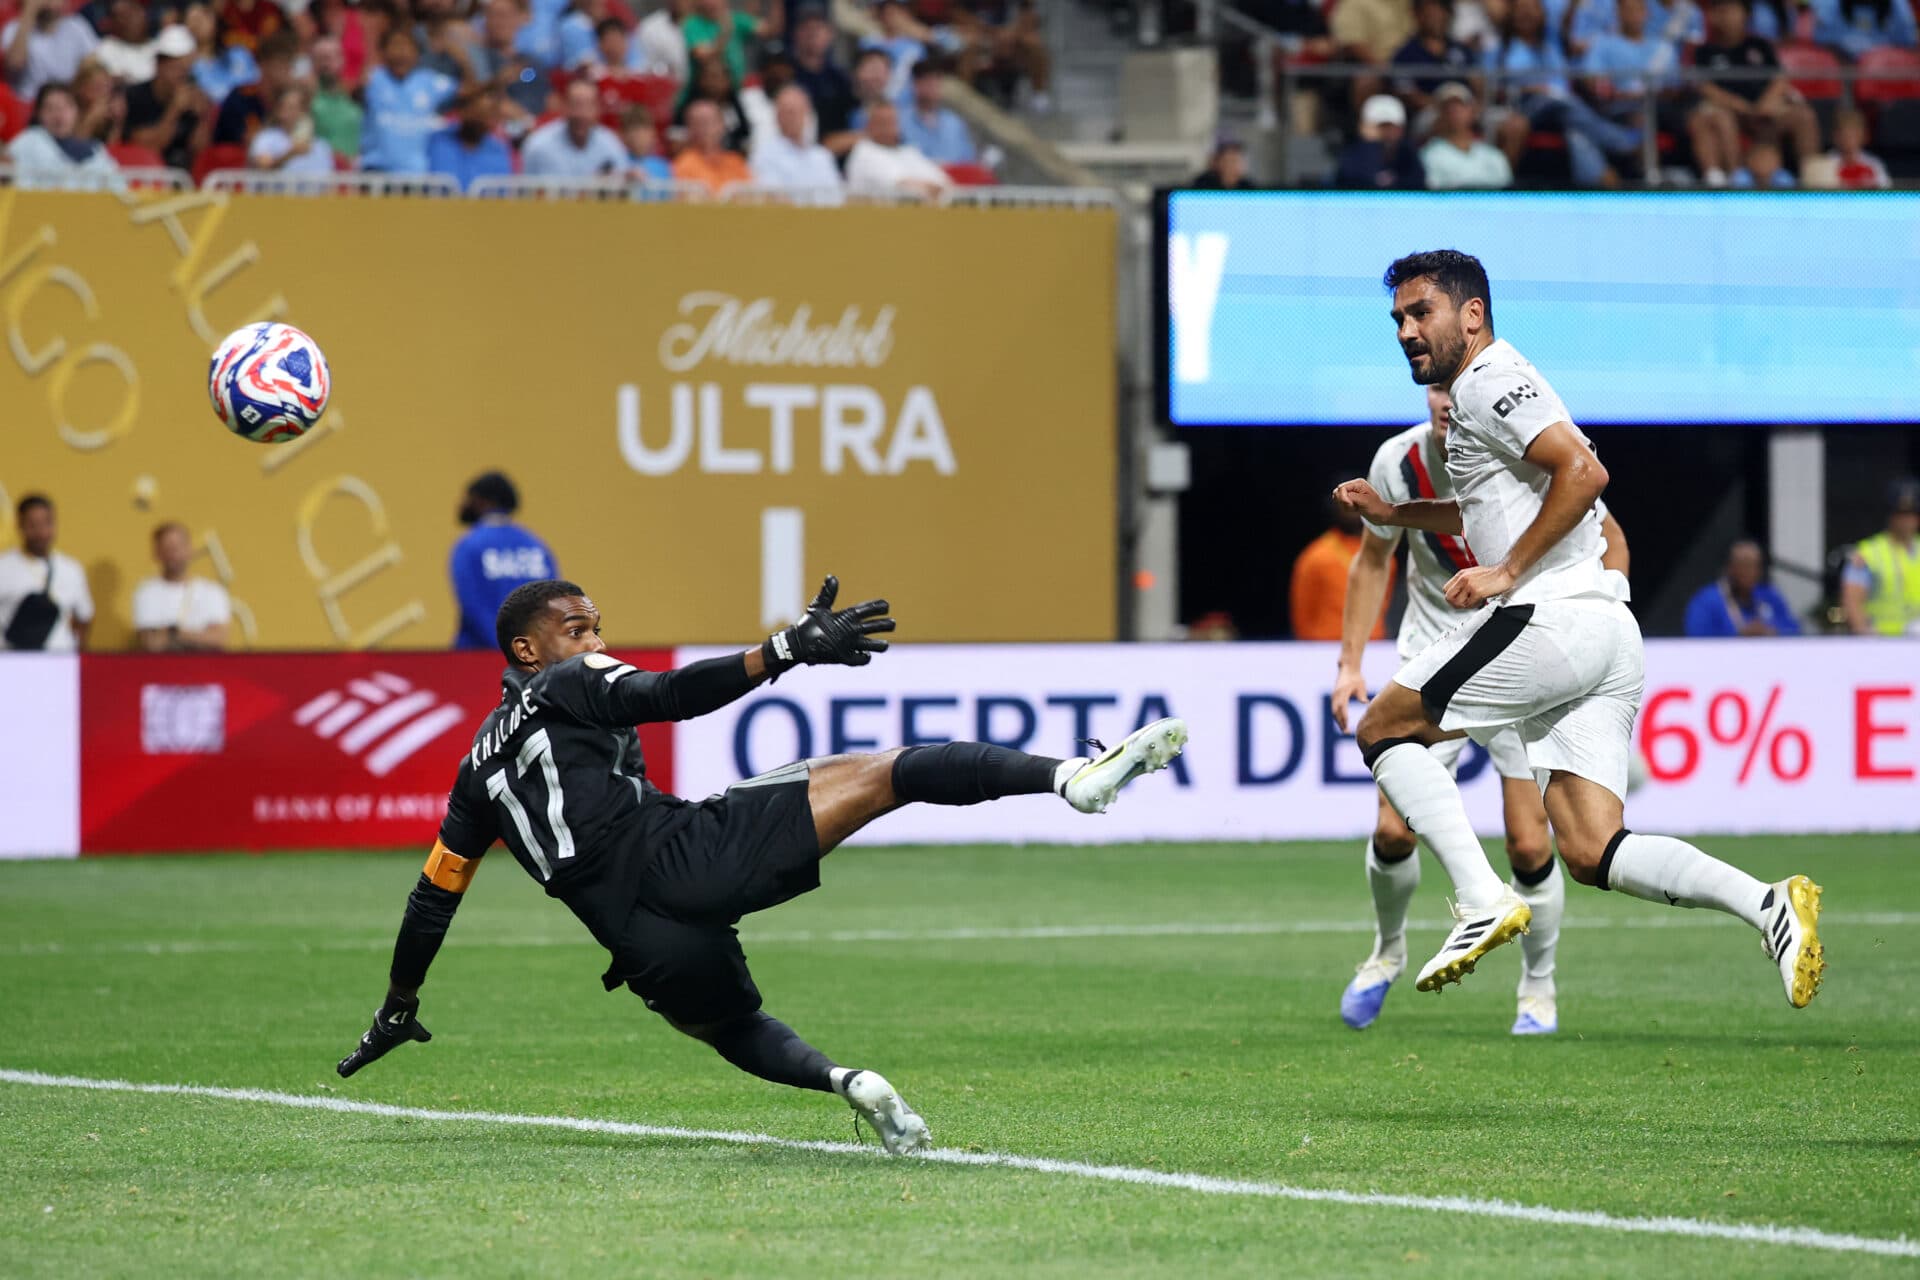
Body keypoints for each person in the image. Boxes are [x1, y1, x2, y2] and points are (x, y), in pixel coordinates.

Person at [333, 576, 1188, 1154]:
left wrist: (398, 1004)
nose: (595, 638)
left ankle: (845, 1081)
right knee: (893, 771)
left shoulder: (473, 773)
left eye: (595, 625)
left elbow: (433, 897)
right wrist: (784, 651)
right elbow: (664, 695)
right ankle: (1069, 778)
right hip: (688, 856)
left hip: (638, 941)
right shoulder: (565, 682)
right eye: (577, 626)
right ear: (528, 650)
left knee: (728, 1029)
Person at [1332, 249, 1824, 1011]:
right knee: (1592, 850)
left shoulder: (1491, 377)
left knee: (1382, 731)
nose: (1405, 329)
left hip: (1550, 617)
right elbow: (1493, 508)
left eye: (1420, 311)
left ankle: (1479, 899)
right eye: (1397, 317)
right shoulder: (1473, 394)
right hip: (1601, 630)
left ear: (1471, 314)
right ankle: (1767, 903)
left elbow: (1585, 473)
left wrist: (1505, 574)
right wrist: (1399, 516)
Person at [1332, 386, 1632, 1036]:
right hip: (1435, 651)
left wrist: (1607, 611)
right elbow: (1371, 562)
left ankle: (1538, 987)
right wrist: (1349, 664)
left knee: (1530, 843)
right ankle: (1386, 953)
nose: (1445, 402)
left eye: (1453, 389)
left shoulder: (1524, 444)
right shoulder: (1398, 461)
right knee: (1392, 831)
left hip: (1524, 644)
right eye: (1435, 391)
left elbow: (1608, 536)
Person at [1689, 0, 1819, 186]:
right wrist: (1741, 106)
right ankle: (1731, 180)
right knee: (1715, 117)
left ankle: (1810, 177)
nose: (1728, 17)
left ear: (1745, 15)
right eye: (1722, 12)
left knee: (1803, 116)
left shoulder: (1760, 45)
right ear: (1714, 17)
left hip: (1764, 110)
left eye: (1733, 11)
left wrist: (1767, 102)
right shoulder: (1704, 51)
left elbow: (1780, 78)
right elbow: (1705, 87)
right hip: (1730, 110)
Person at [449, 471, 560, 651]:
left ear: (482, 501)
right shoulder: (536, 546)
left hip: (478, 657)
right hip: (532, 660)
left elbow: (472, 605)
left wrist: (502, 648)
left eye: (468, 497)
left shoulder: (470, 546)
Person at [1291, 485, 1393, 643]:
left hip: (1374, 644)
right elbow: (1302, 612)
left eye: (1357, 503)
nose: (1351, 511)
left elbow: (1385, 603)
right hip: (1325, 645)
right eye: (1345, 503)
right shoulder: (1316, 556)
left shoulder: (1384, 553)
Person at [360, 26, 461, 173]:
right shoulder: (373, 79)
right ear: (383, 50)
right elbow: (351, 93)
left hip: (416, 177)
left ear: (417, 53)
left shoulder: (428, 81)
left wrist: (458, 54)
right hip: (377, 173)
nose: (401, 52)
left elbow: (468, 90)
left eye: (407, 46)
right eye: (396, 45)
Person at [0, 494, 93, 652]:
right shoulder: (4, 567)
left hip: (60, 660)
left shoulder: (71, 569)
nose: (41, 532)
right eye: (33, 524)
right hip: (12, 660)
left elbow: (84, 616)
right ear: (19, 525)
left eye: (47, 523)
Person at [132, 521, 232, 652]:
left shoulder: (212, 591)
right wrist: (197, 636)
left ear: (190, 549)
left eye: (177, 547)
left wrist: (173, 633)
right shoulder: (146, 592)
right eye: (167, 547)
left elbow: (218, 638)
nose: (173, 553)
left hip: (205, 670)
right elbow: (151, 643)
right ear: (157, 552)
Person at [123, 30, 213, 170]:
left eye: (185, 70)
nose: (181, 75)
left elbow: (198, 151)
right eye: (176, 68)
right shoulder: (135, 96)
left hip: (182, 176)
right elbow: (147, 148)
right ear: (160, 65)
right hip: (144, 176)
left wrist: (203, 117)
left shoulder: (190, 95)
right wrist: (174, 110)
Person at [1841, 478, 1920, 636]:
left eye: (1912, 514)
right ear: (1890, 516)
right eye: (1900, 514)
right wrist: (1868, 638)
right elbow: (1852, 602)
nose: (1906, 520)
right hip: (1883, 641)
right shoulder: (1869, 553)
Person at [6, 81, 122, 186]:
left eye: (66, 107)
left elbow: (119, 189)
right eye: (50, 108)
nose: (59, 115)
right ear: (38, 114)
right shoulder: (28, 142)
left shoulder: (97, 150)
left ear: (77, 111)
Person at [1682, 540, 1799, 638]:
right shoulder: (1707, 601)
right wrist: (1738, 635)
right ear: (1730, 568)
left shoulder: (1769, 596)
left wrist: (1772, 632)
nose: (1750, 572)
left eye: (1755, 565)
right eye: (1744, 565)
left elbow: (1794, 630)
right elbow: (1697, 637)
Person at [844, 98, 950, 198]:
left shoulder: (909, 151)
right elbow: (901, 186)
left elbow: (946, 183)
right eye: (883, 122)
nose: (889, 127)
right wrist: (935, 189)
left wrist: (937, 189)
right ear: (869, 125)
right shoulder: (863, 152)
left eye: (892, 121)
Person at [1420, 80, 1512, 188]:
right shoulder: (1428, 155)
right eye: (1447, 107)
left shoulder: (1493, 155)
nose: (1455, 111)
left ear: (1472, 111)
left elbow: (1507, 193)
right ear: (1439, 114)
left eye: (1460, 106)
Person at [4, 0, 100, 101]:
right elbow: (14, 64)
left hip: (69, 101)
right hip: (29, 103)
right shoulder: (14, 29)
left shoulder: (76, 26)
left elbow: (94, 64)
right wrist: (30, 10)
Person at [751, 83, 841, 190]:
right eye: (789, 112)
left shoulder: (822, 156)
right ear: (777, 116)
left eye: (800, 111)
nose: (794, 118)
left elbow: (837, 195)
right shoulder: (765, 154)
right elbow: (773, 196)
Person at [1334, 93, 1425, 189]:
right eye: (1380, 127)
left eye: (1391, 126)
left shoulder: (1409, 154)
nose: (1386, 133)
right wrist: (1372, 146)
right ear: (1363, 128)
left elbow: (1418, 185)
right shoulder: (1350, 156)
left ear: (1402, 129)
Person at [899, 56, 973, 163]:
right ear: (915, 85)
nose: (933, 86)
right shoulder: (899, 120)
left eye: (936, 80)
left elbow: (968, 161)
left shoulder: (954, 122)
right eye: (927, 81)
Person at [247, 84, 336, 172]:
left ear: (305, 111)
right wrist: (291, 154)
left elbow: (329, 181)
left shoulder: (321, 146)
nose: (286, 112)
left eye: (292, 107)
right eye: (284, 106)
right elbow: (263, 167)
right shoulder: (265, 138)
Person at [671, 96, 751, 192]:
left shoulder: (736, 162)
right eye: (697, 123)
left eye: (709, 122)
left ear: (722, 125)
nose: (704, 128)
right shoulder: (682, 164)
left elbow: (750, 196)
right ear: (689, 129)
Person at [308, 34, 363, 158]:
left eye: (328, 58)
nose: (324, 64)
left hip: (354, 173)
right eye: (320, 59)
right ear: (312, 63)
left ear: (342, 60)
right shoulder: (305, 99)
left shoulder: (357, 96)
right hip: (319, 172)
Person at [1818, 107, 1892, 189]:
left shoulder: (1874, 164)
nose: (1849, 139)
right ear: (1836, 137)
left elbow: (1885, 192)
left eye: (1854, 134)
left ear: (1863, 136)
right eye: (1844, 134)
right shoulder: (1826, 163)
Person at [95, 0, 157, 84]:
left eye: (131, 14)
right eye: (122, 16)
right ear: (113, 22)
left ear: (144, 14)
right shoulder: (106, 49)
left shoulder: (161, 46)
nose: (128, 21)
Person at [620, 103, 673, 179]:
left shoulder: (663, 167)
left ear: (653, 133)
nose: (638, 137)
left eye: (644, 130)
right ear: (624, 135)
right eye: (634, 130)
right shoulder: (618, 162)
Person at [1189, 137, 1257, 189]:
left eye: (1237, 161)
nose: (1233, 166)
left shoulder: (1248, 187)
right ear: (1218, 162)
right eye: (1229, 161)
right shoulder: (1203, 184)